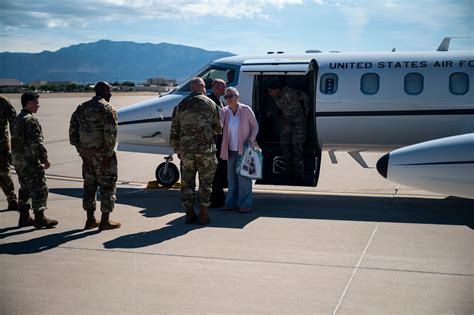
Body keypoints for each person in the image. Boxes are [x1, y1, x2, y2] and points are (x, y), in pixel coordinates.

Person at [170, 77, 222, 225]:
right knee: (206, 183)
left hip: (186, 152)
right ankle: (204, 214)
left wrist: (177, 149)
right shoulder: (210, 104)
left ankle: (189, 213)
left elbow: (174, 130)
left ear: (192, 88)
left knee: (187, 182)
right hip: (206, 151)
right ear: (203, 87)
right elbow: (218, 129)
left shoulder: (181, 105)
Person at [69, 81, 121, 230]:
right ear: (104, 91)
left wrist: (82, 152)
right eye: (109, 91)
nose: (110, 94)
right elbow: (111, 135)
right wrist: (108, 156)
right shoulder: (108, 109)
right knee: (108, 187)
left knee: (89, 187)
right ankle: (105, 221)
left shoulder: (81, 108)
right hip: (103, 157)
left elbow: (72, 134)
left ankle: (90, 219)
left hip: (87, 156)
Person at [11, 92, 58, 228]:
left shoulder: (18, 118)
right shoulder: (30, 120)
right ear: (29, 103)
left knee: (25, 187)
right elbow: (36, 143)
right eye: (36, 103)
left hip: (18, 159)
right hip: (29, 160)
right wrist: (44, 159)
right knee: (40, 187)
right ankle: (40, 217)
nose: (38, 106)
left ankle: (24, 217)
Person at [220, 87, 259, 213]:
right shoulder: (224, 112)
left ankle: (244, 204)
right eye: (226, 97)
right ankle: (230, 203)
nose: (229, 99)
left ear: (238, 97)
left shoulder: (246, 110)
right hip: (230, 150)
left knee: (244, 179)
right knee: (231, 178)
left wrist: (251, 139)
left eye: (231, 96)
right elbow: (218, 127)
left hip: (244, 150)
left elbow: (255, 126)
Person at [267, 81, 310, 176]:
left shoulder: (289, 92)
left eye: (271, 91)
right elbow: (279, 107)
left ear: (277, 90)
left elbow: (304, 96)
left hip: (298, 120)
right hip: (287, 120)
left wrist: (307, 112)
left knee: (297, 142)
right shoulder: (274, 96)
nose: (270, 93)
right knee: (284, 142)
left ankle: (296, 166)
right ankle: (288, 165)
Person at [207, 79, 228, 208]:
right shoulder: (210, 102)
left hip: (219, 142)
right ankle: (215, 198)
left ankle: (217, 196)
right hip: (213, 141)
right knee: (214, 172)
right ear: (216, 87)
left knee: (218, 171)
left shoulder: (220, 101)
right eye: (223, 87)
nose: (225, 89)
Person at [0, 95, 18, 211]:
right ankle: (12, 199)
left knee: (4, 171)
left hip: (1, 144)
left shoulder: (3, 101)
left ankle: (12, 200)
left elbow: (13, 122)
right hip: (1, 143)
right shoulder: (3, 100)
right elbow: (14, 122)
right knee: (4, 171)